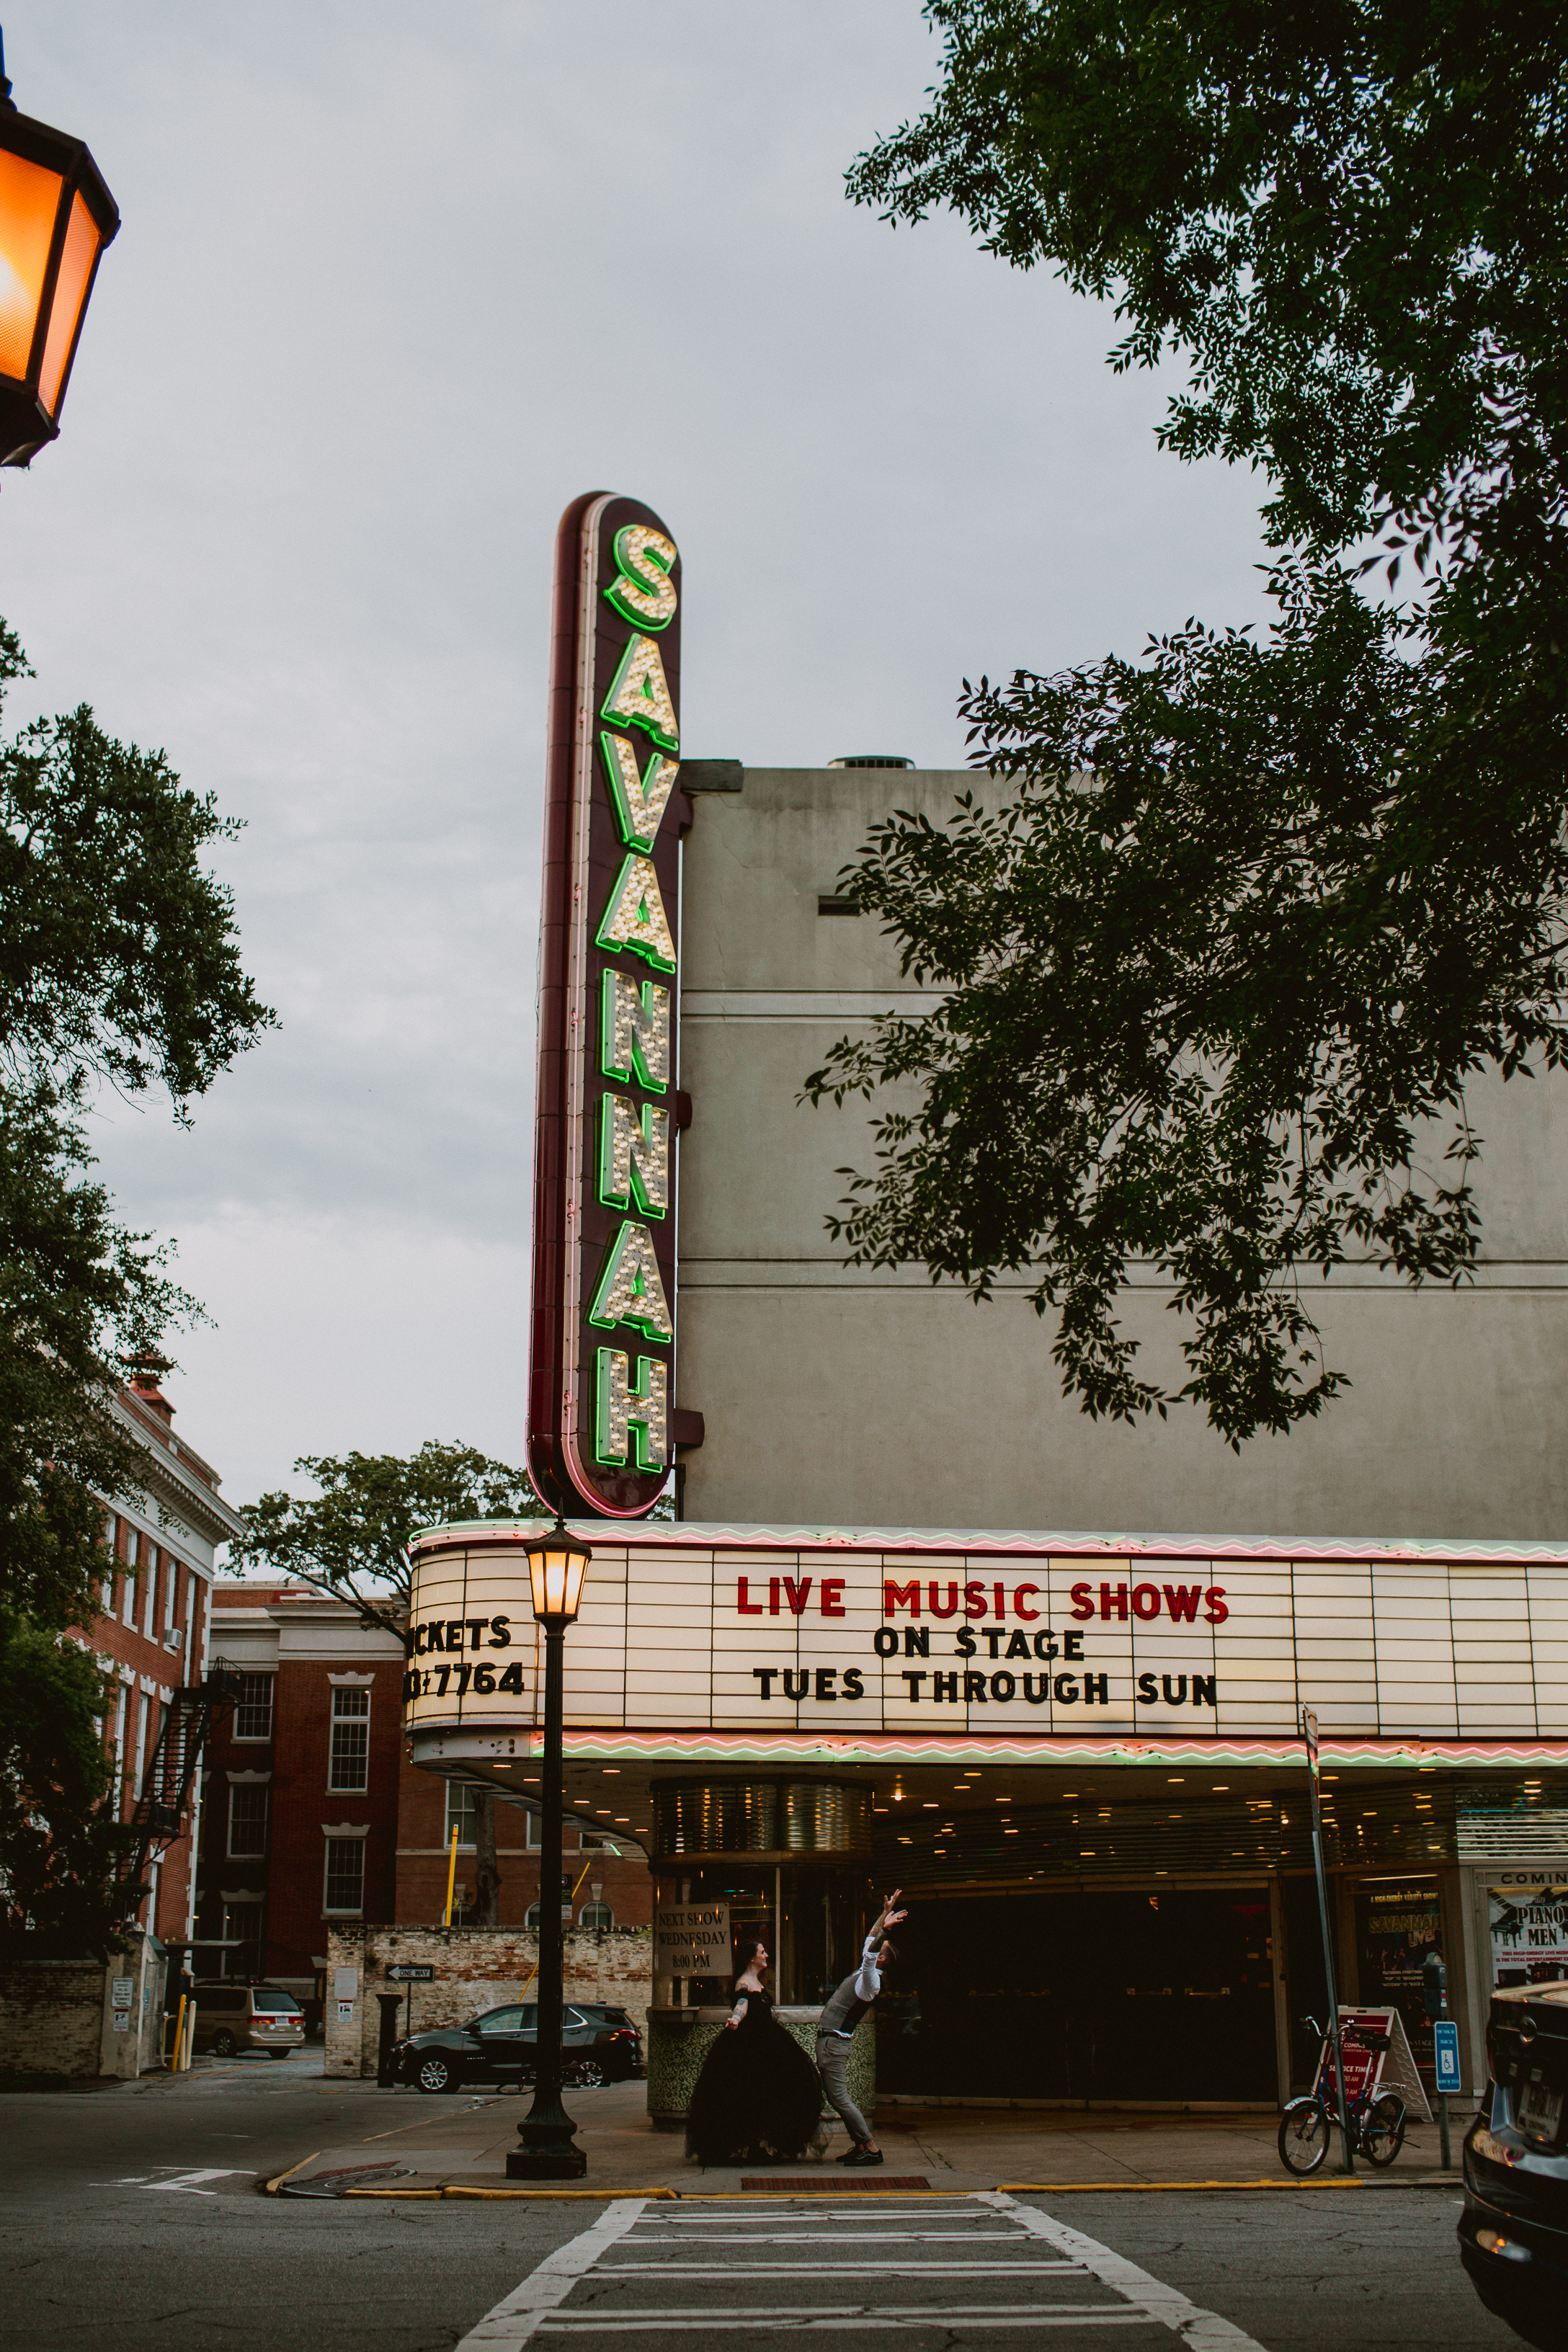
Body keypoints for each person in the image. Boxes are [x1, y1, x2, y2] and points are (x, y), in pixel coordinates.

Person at [685, 1936, 823, 2165]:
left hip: (766, 2044)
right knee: (748, 2093)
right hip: (750, 2047)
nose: (766, 1955)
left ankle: (755, 2144)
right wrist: (735, 2020)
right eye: (762, 1952)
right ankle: (751, 2144)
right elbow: (741, 2005)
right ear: (752, 1958)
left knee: (766, 2093)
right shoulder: (744, 1983)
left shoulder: (758, 1982)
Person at [816, 1888, 907, 2166]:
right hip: (832, 2042)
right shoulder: (867, 1971)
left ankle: (870, 2147)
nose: (874, 1949)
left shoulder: (871, 1981)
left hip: (835, 2043)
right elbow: (870, 1942)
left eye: (880, 1949)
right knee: (837, 2098)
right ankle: (860, 2145)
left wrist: (885, 1934)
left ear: (881, 1959)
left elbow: (870, 1952)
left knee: (840, 2099)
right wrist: (884, 1914)